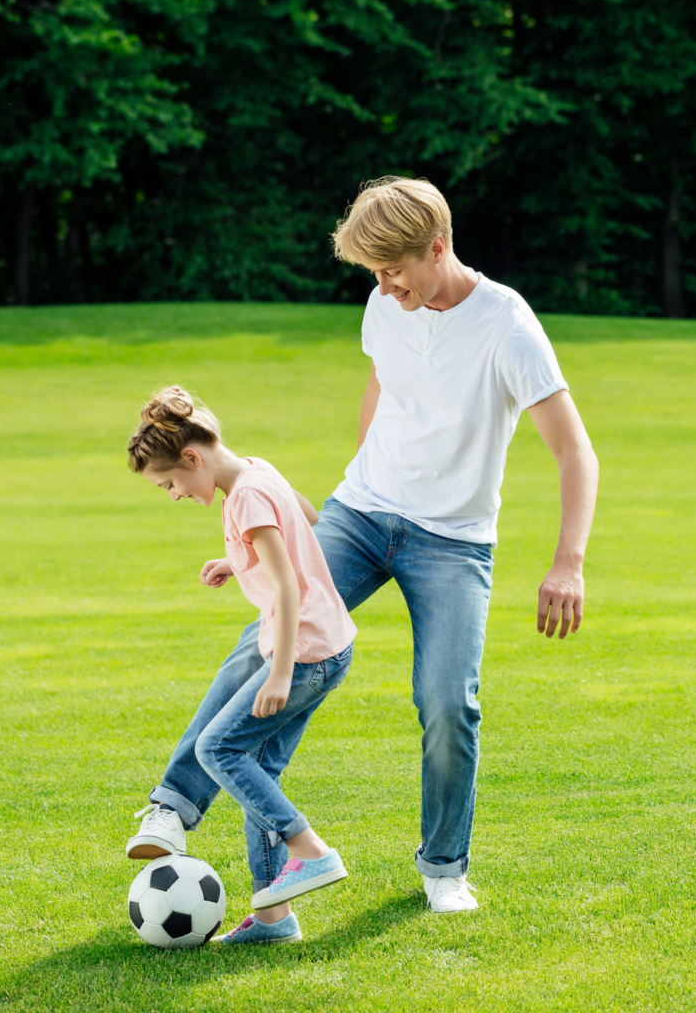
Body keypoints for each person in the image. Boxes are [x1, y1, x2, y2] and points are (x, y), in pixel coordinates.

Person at [147, 176, 600, 915]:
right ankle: (174, 804)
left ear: (438, 246)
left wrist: (568, 563)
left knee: (448, 701)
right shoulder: (385, 303)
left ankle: (444, 867)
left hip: (452, 542)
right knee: (262, 641)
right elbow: (379, 391)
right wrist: (343, 494)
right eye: (374, 275)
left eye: (393, 271)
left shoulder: (507, 326)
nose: (384, 288)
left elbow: (575, 451)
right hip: (361, 513)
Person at [123, 386, 358, 945]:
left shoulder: (245, 496)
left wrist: (279, 673)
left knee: (217, 748)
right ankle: (275, 920)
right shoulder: (257, 471)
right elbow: (308, 516)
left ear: (192, 458)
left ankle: (311, 852)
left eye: (170, 484)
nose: (175, 495)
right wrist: (238, 557)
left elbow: (286, 584)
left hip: (302, 655)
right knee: (259, 773)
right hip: (329, 646)